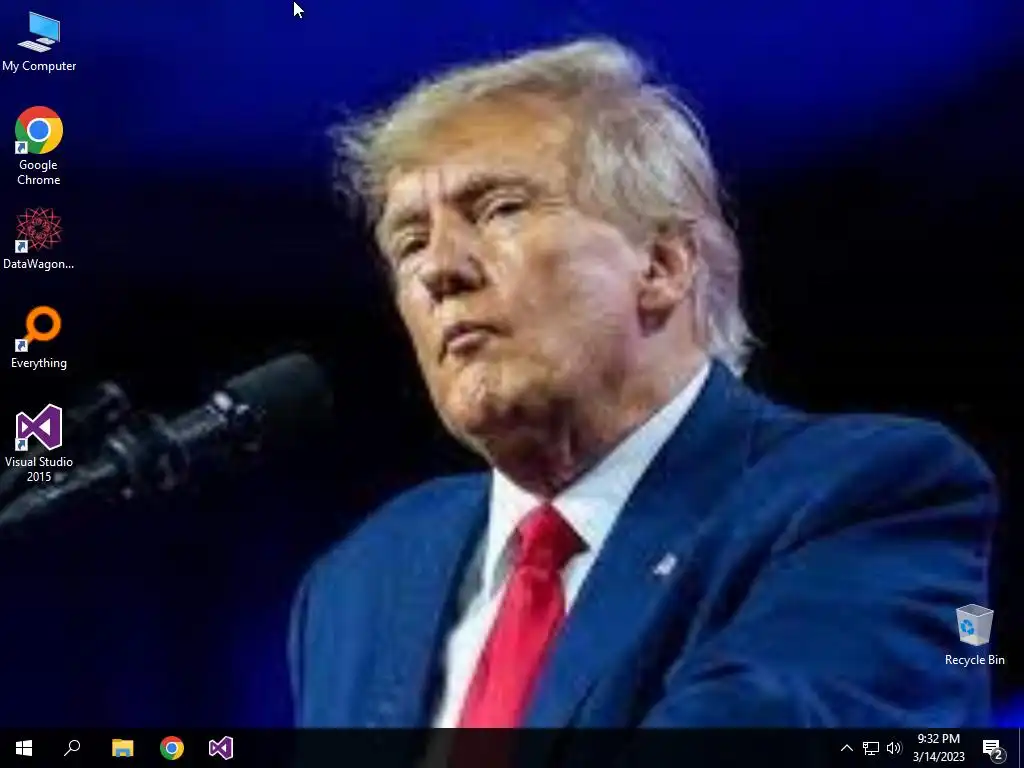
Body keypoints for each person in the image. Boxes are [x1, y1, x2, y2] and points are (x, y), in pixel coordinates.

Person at [288, 39, 998, 736]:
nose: (439, 270)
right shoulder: (361, 579)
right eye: (410, 242)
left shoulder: (866, 497)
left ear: (661, 265)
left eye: (500, 209)